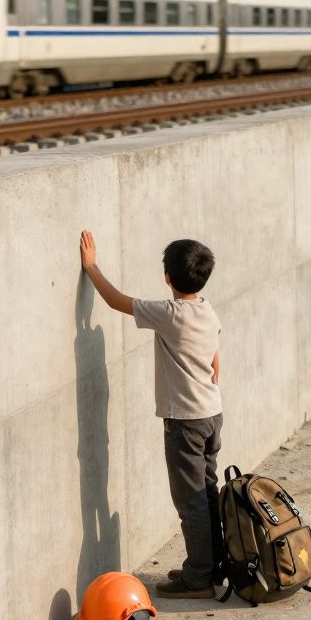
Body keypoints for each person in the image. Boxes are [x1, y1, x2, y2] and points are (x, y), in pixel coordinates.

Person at [79, 231, 223, 600]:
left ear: (167, 278)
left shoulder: (169, 313)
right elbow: (215, 361)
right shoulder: (207, 310)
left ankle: (198, 579)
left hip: (185, 421)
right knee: (207, 492)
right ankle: (208, 564)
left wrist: (91, 266)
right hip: (211, 413)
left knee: (189, 499)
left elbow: (115, 302)